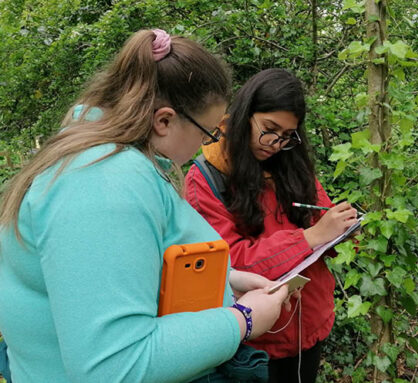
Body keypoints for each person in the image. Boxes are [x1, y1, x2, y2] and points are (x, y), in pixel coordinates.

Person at [0, 30, 290, 382]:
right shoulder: (103, 184)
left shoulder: (110, 163)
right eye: (207, 133)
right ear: (164, 120)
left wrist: (223, 281)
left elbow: (109, 274)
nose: (204, 146)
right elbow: (115, 366)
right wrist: (242, 320)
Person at [185, 68, 358, 383]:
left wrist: (343, 230)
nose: (276, 143)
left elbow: (321, 217)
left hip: (310, 325)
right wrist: (309, 238)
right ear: (244, 113)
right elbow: (229, 263)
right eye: (269, 128)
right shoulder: (207, 179)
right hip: (256, 338)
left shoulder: (292, 165)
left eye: (288, 135)